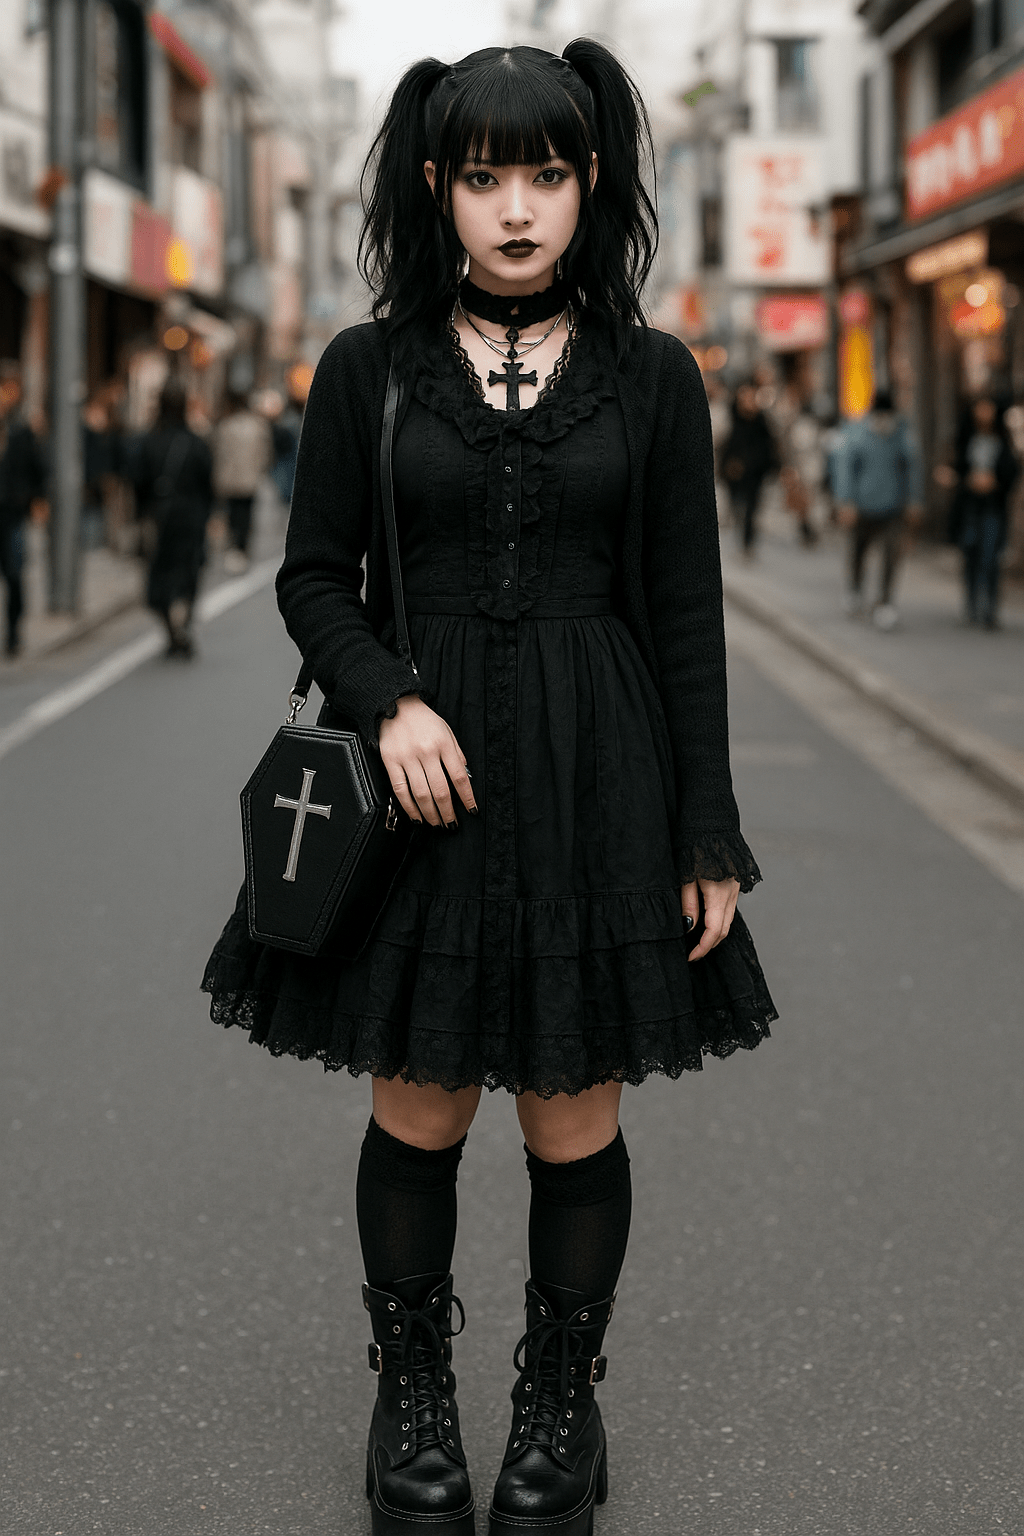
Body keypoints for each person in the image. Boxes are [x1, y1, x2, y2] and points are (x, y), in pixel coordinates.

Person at [202, 41, 776, 1536]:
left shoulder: (655, 378)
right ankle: (411, 1406)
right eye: (483, 176)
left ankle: (558, 1412)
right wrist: (386, 699)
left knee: (572, 1116)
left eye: (548, 173)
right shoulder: (365, 370)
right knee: (423, 1104)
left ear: (593, 183)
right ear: (437, 186)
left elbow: (687, 617)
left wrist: (706, 830)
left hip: (604, 781)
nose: (515, 208)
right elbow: (314, 577)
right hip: (420, 801)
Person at [134, 377, 212, 658]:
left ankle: (171, 630)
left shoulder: (149, 442)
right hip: (191, 518)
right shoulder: (196, 443)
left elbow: (139, 484)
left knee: (160, 575)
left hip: (160, 518)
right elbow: (208, 484)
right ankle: (184, 626)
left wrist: (140, 519)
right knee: (189, 573)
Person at [833, 388, 922, 630]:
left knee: (891, 555)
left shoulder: (902, 433)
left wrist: (914, 500)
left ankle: (885, 603)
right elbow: (846, 468)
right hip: (861, 505)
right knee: (858, 551)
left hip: (893, 506)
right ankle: (854, 590)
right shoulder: (857, 432)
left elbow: (912, 467)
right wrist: (845, 500)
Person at [946, 396, 1018, 628]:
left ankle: (990, 607)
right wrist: (966, 480)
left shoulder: (1002, 440)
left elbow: (1011, 470)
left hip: (993, 507)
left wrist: (995, 481)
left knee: (990, 557)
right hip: (969, 506)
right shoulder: (965, 438)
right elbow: (955, 467)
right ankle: (972, 602)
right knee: (970, 554)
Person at [0, 365, 46, 659]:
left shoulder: (21, 430)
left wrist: (38, 500)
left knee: (14, 572)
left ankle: (14, 631)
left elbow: (36, 468)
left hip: (12, 511)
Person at [211, 391, 271, 572]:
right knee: (246, 516)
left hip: (229, 479)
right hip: (249, 479)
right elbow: (265, 454)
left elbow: (218, 453)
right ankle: (242, 549)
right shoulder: (258, 427)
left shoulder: (225, 426)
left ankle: (234, 548)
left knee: (232, 515)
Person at [721, 380, 779, 555]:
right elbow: (725, 444)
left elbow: (769, 446)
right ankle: (741, 538)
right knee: (737, 507)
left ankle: (747, 544)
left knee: (751, 510)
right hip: (734, 474)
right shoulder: (731, 417)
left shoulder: (761, 420)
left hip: (755, 473)